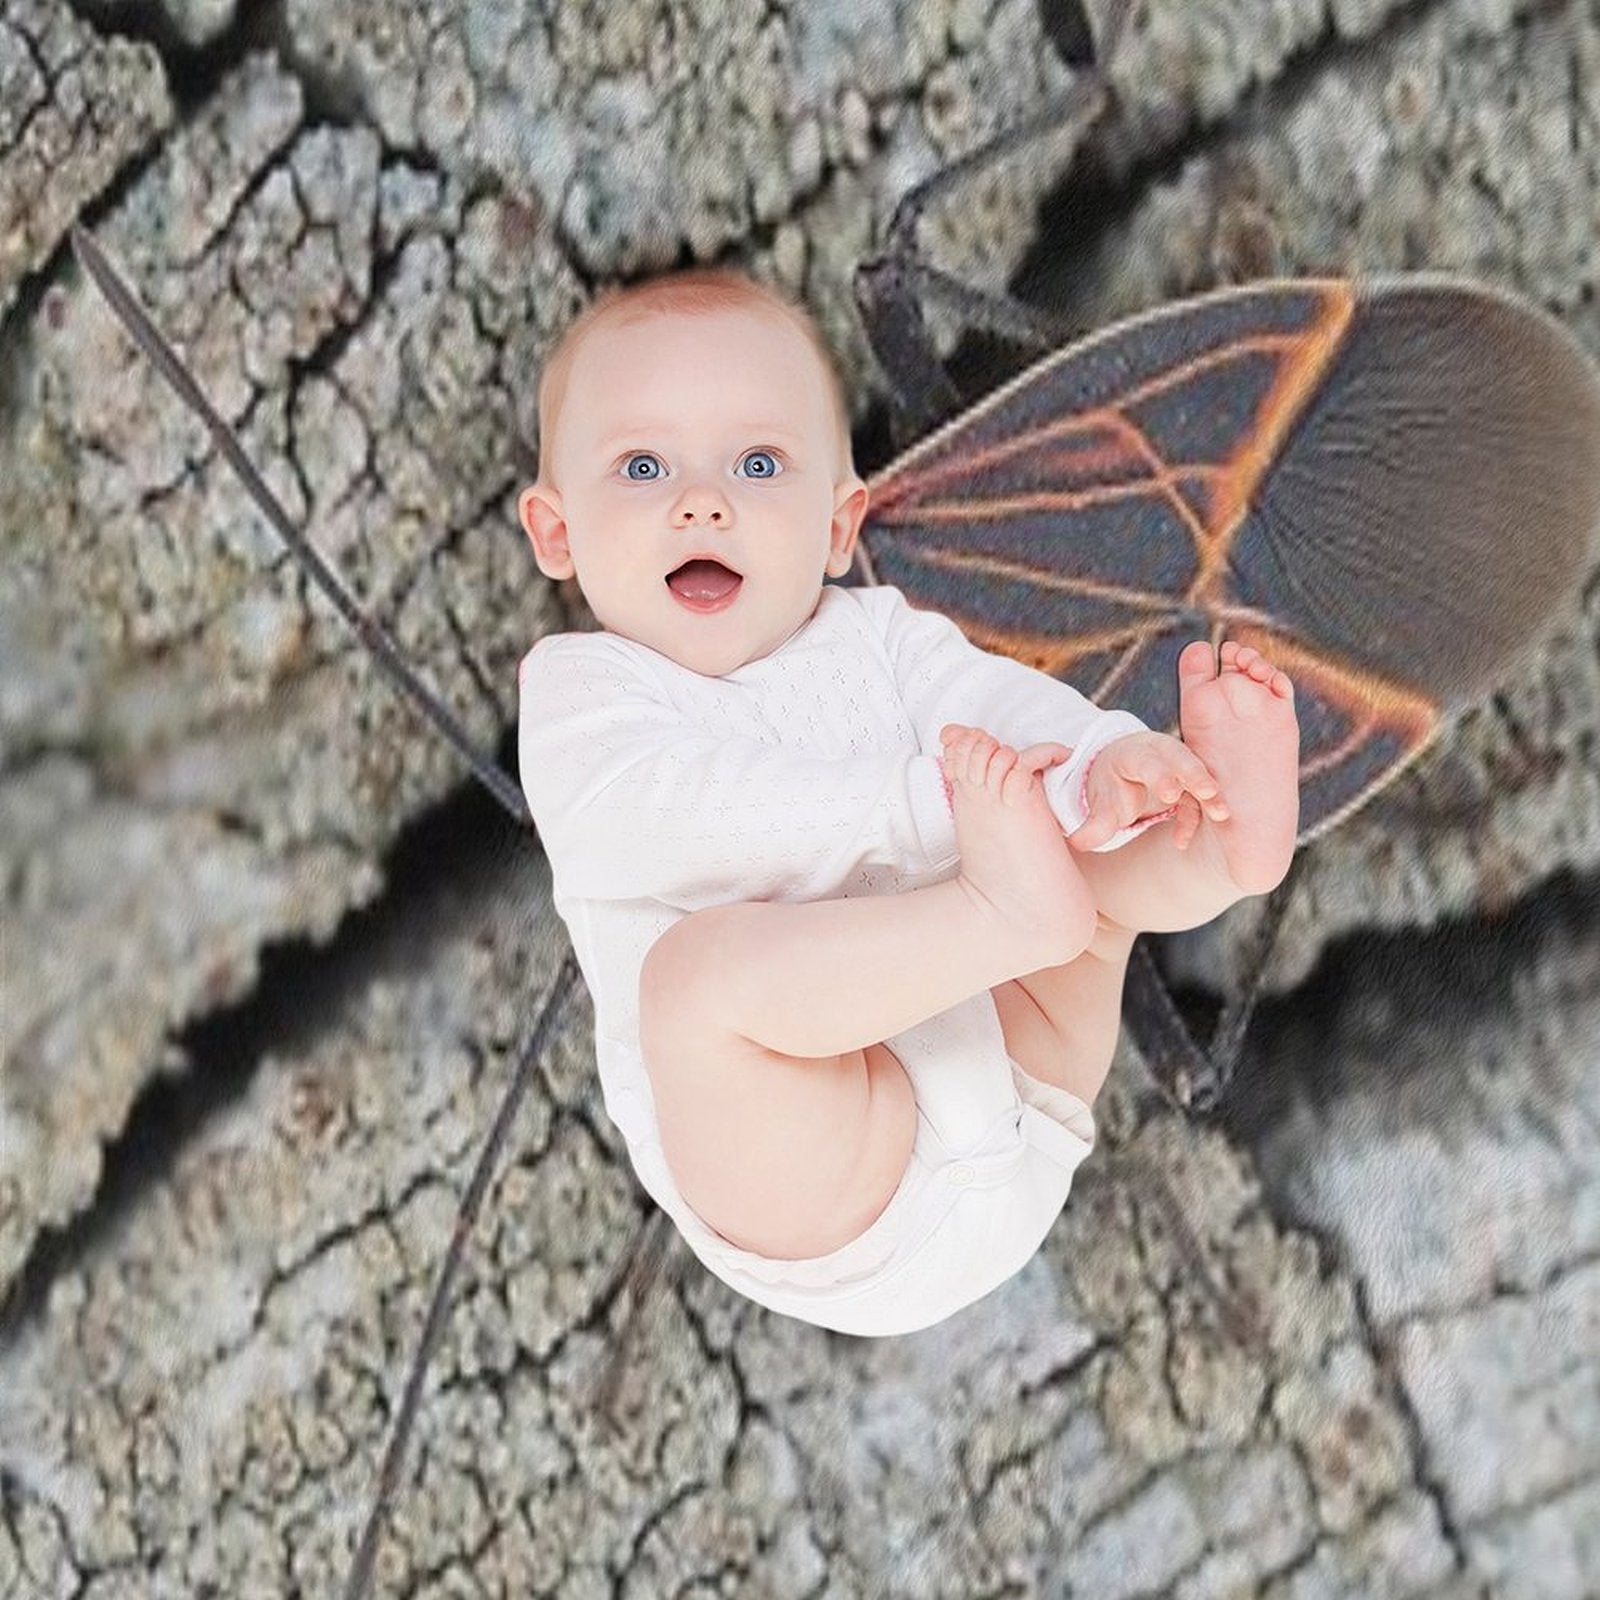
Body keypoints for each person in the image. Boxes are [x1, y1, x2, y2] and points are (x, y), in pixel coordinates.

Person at [516, 267, 1299, 1337]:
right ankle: (1011, 910)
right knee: (692, 988)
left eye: (758, 462)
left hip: (1026, 1083)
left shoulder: (879, 635)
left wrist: (1094, 763)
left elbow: (993, 705)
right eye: (642, 466)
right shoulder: (582, 700)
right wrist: (929, 807)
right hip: (837, 1185)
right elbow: (690, 820)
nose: (703, 501)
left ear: (840, 524)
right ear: (556, 533)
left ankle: (1212, 846)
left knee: (1087, 874)